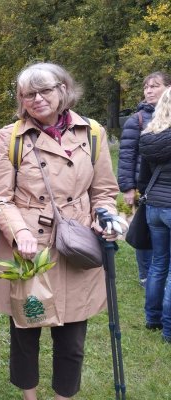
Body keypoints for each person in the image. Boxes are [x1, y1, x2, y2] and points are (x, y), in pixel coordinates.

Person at [0, 63, 119, 400]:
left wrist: (104, 217)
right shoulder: (11, 136)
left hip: (76, 246)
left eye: (45, 90)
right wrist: (19, 233)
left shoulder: (92, 132)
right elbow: (0, 198)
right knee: (25, 334)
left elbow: (104, 191)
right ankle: (29, 397)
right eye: (28, 94)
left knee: (72, 341)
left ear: (63, 89)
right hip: (30, 249)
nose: (37, 99)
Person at [118, 71, 171, 287]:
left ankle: (156, 279)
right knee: (142, 231)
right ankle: (145, 275)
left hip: (159, 186)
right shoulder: (137, 119)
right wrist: (128, 187)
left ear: (167, 88)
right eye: (146, 87)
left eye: (154, 86)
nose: (148, 91)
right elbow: (127, 156)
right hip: (145, 185)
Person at [137, 87, 171, 343]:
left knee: (158, 263)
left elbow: (143, 177)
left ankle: (153, 317)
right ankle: (169, 328)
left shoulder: (150, 135)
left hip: (154, 207)